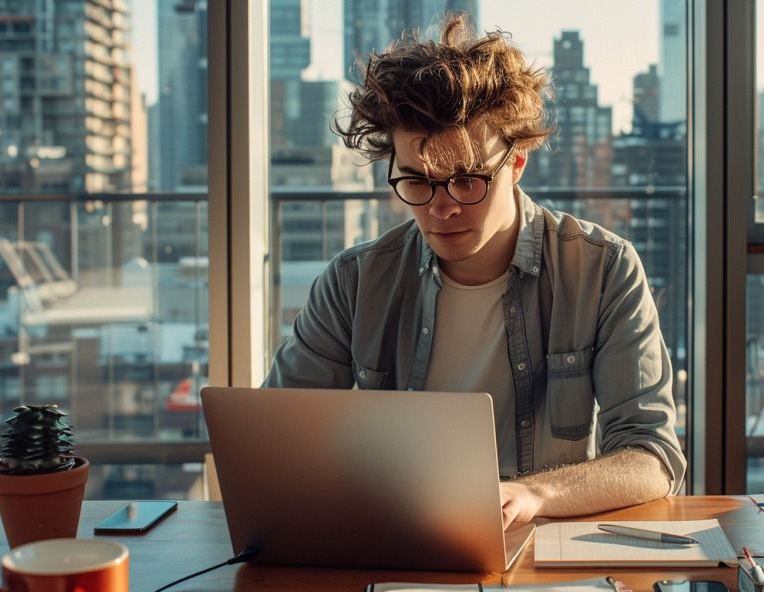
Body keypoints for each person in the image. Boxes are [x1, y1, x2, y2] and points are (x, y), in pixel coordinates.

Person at [264, 15, 685, 528]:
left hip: (538, 553)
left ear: (517, 162)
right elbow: (273, 443)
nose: (441, 209)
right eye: (417, 181)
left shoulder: (602, 269)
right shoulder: (354, 282)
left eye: (466, 180)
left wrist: (533, 495)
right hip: (396, 547)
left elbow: (651, 458)